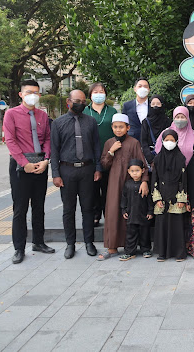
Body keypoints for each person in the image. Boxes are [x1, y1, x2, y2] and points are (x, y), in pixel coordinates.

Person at [4, 79, 53, 264]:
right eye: (29, 92)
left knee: (39, 206)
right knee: (20, 208)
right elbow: (10, 140)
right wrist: (24, 163)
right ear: (21, 94)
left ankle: (38, 242)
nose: (33, 96)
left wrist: (46, 159)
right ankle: (19, 248)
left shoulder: (42, 115)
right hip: (20, 166)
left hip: (40, 164)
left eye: (36, 92)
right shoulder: (11, 114)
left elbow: (47, 138)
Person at [50, 89, 103, 259]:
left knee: (88, 208)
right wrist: (55, 174)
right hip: (67, 170)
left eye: (83, 101)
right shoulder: (58, 123)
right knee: (68, 209)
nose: (81, 104)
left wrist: (98, 168)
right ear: (69, 102)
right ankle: (70, 244)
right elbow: (54, 150)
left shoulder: (91, 122)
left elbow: (96, 146)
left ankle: (89, 242)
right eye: (77, 101)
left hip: (87, 169)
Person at [98, 114, 149, 260]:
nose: (118, 129)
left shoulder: (134, 143)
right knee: (113, 212)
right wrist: (111, 151)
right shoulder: (109, 143)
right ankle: (112, 247)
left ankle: (131, 247)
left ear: (128, 128)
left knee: (130, 214)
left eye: (121, 127)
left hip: (131, 185)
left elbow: (142, 164)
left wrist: (144, 181)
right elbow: (104, 165)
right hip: (114, 184)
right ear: (112, 128)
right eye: (115, 127)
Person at [83, 82, 118, 227]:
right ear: (90, 95)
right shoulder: (85, 111)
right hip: (90, 156)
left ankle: (108, 215)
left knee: (109, 188)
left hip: (110, 154)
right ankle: (95, 215)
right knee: (92, 189)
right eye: (95, 92)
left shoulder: (112, 112)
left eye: (101, 91)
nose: (99, 94)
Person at [151, 129, 189, 262]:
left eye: (172, 140)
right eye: (166, 140)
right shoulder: (157, 159)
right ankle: (162, 253)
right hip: (162, 196)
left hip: (176, 196)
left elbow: (183, 180)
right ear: (162, 141)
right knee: (162, 225)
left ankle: (179, 253)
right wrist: (157, 198)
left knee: (176, 226)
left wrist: (182, 199)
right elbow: (154, 179)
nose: (169, 143)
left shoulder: (181, 158)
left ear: (176, 141)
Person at [119, 159, 154, 261]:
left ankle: (146, 250)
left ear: (142, 171)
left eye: (137, 171)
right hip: (131, 214)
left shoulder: (145, 186)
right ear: (128, 171)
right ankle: (130, 252)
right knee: (130, 234)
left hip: (143, 214)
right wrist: (124, 210)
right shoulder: (127, 184)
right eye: (132, 171)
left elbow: (149, 199)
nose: (135, 173)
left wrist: (150, 211)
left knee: (144, 234)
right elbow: (124, 198)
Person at [140, 94, 171, 166]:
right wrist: (150, 159)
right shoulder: (146, 122)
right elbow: (143, 142)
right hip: (151, 157)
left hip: (165, 157)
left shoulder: (168, 121)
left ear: (162, 105)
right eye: (153, 104)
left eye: (158, 104)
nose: (155, 106)